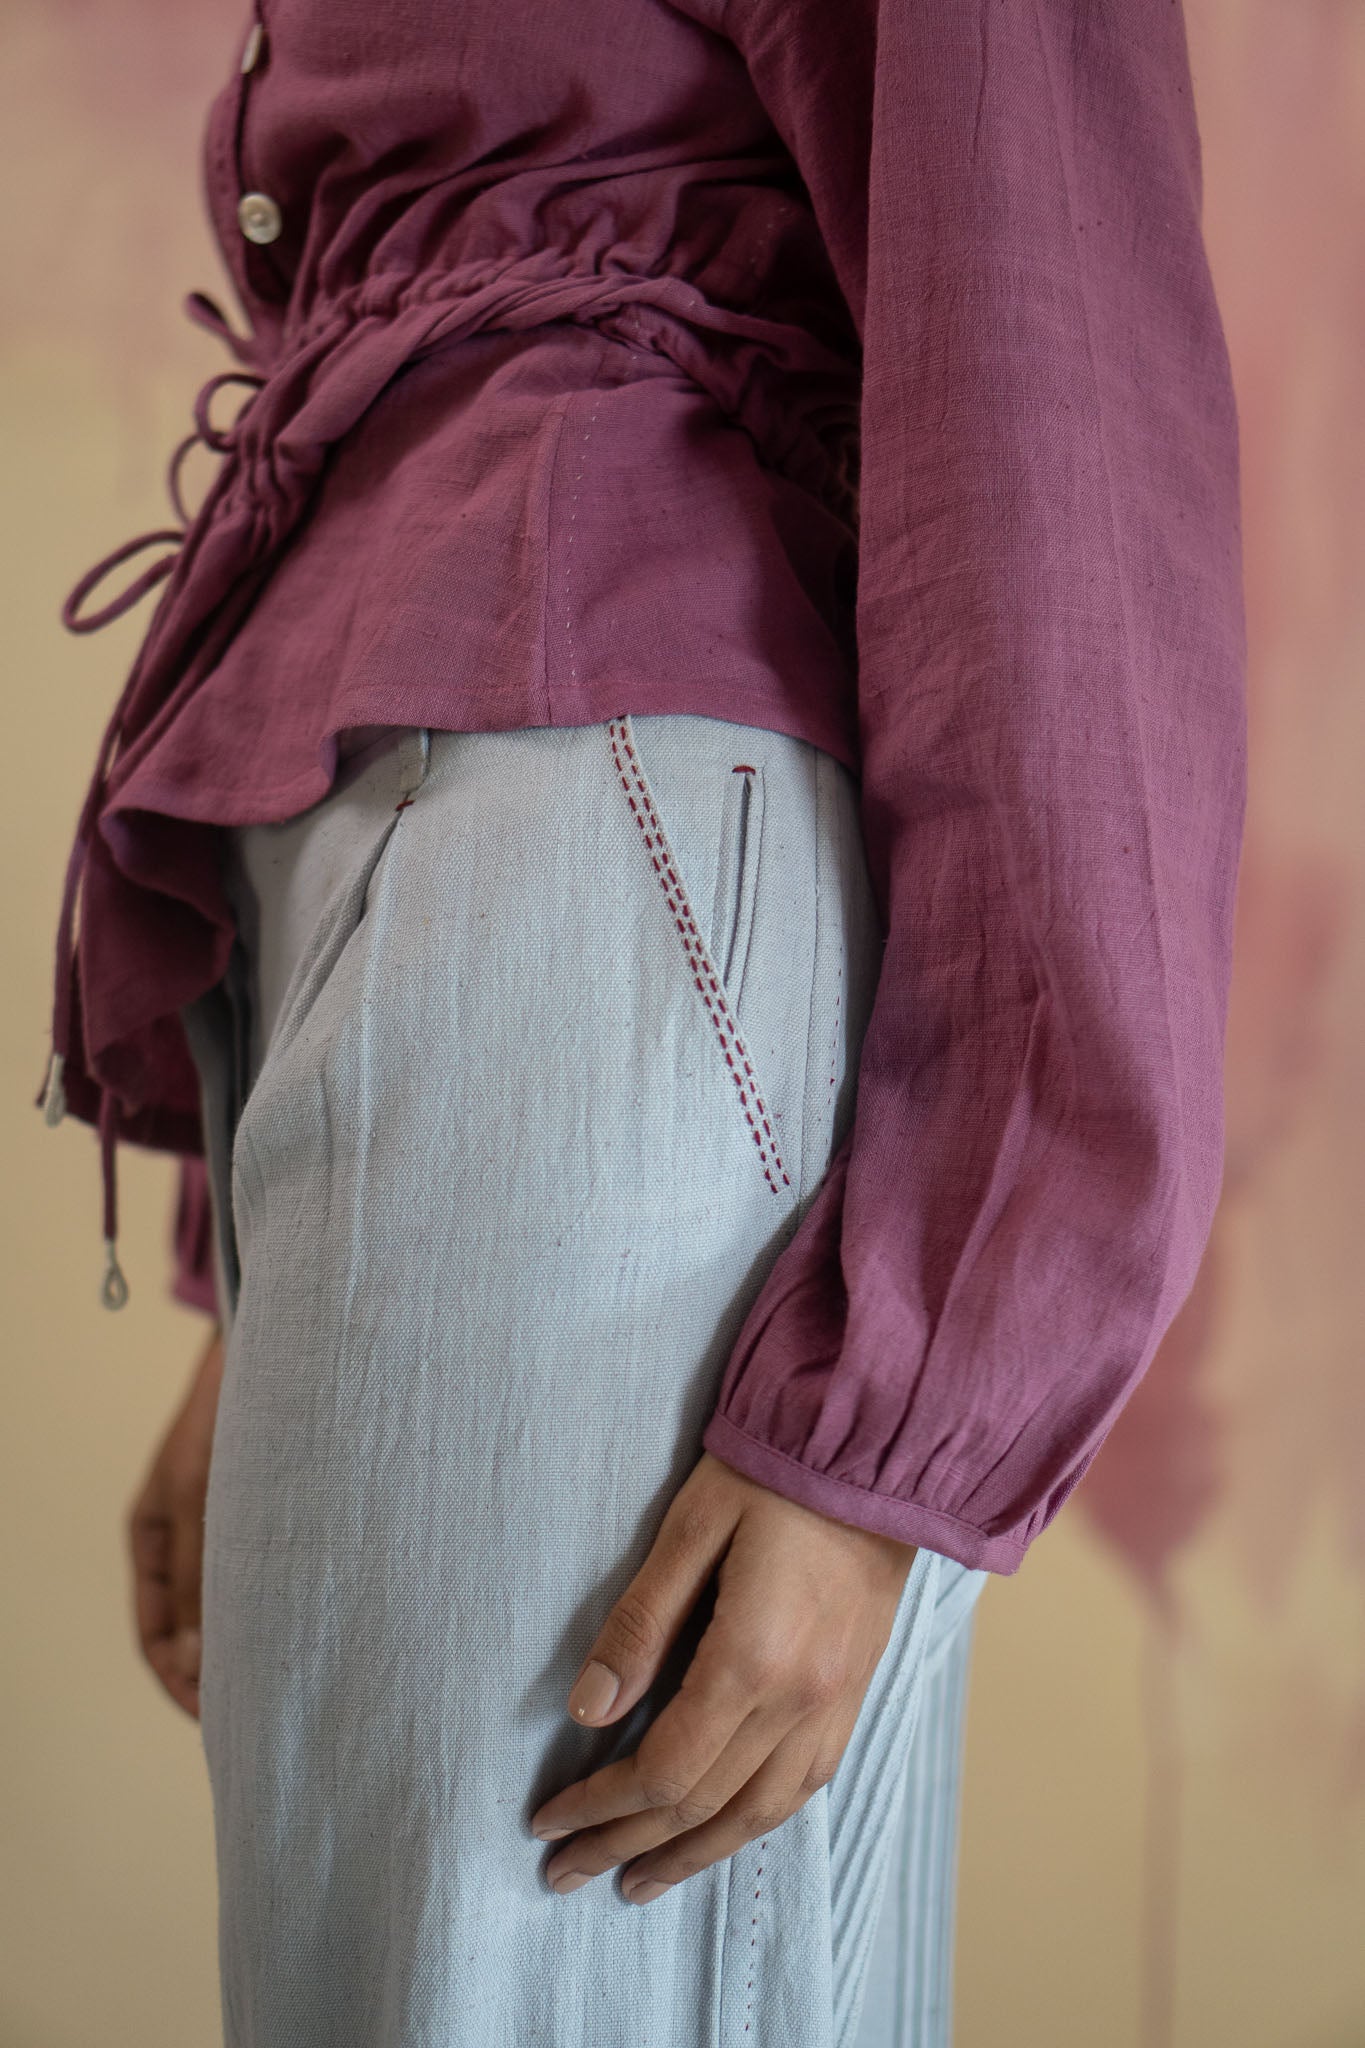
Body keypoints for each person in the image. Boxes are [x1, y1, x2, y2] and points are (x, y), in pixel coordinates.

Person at [39, 0, 1247, 2042]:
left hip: (592, 880)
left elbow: (1057, 419)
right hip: (453, 905)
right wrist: (257, 1291)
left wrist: (906, 1400)